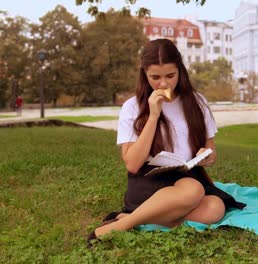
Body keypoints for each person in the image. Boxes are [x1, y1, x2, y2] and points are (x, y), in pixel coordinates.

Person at [87, 39, 245, 246]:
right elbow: (133, 164)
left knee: (215, 207)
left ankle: (133, 219)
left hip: (188, 174)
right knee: (193, 190)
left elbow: (211, 146)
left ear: (180, 71)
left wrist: (208, 155)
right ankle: (119, 226)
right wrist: (153, 116)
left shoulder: (197, 102)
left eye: (170, 76)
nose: (164, 84)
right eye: (155, 77)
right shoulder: (132, 107)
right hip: (150, 179)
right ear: (144, 74)